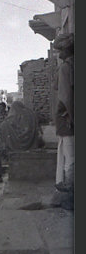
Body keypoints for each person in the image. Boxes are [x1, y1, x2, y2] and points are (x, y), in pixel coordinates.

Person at [53, 34, 74, 196]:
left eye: (61, 50)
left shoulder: (66, 67)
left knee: (67, 158)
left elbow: (65, 96)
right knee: (67, 157)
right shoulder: (66, 66)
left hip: (65, 117)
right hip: (66, 117)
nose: (59, 54)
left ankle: (68, 191)